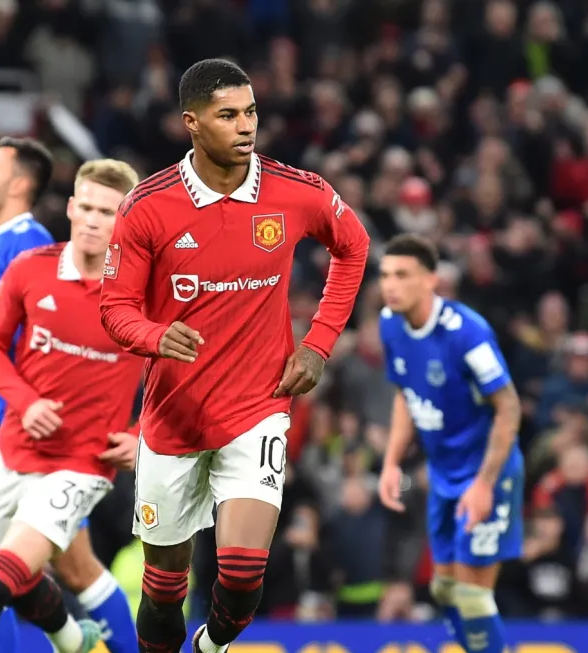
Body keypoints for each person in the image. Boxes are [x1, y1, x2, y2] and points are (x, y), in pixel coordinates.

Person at [99, 58, 370, 653]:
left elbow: (354, 247)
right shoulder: (147, 207)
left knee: (243, 577)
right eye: (229, 115)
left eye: (250, 111)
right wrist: (152, 335)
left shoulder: (295, 191)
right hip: (173, 417)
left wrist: (318, 342)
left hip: (258, 407)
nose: (246, 126)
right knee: (165, 590)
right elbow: (114, 308)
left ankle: (211, 647)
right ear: (192, 123)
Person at [0, 159, 147, 653]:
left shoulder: (144, 293)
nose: (92, 220)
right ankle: (75, 642)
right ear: (70, 207)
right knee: (23, 581)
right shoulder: (32, 269)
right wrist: (24, 404)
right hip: (16, 448)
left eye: (107, 212)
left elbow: (185, 377)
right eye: (85, 207)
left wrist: (142, 434)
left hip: (84, 465)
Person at [375, 234, 524, 653]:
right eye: (386, 275)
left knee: (473, 596)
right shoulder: (390, 323)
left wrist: (484, 484)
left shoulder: (467, 333)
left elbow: (509, 408)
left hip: (485, 472)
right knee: (443, 589)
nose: (390, 285)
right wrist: (390, 463)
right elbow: (406, 395)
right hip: (443, 473)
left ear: (430, 280)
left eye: (402, 275)